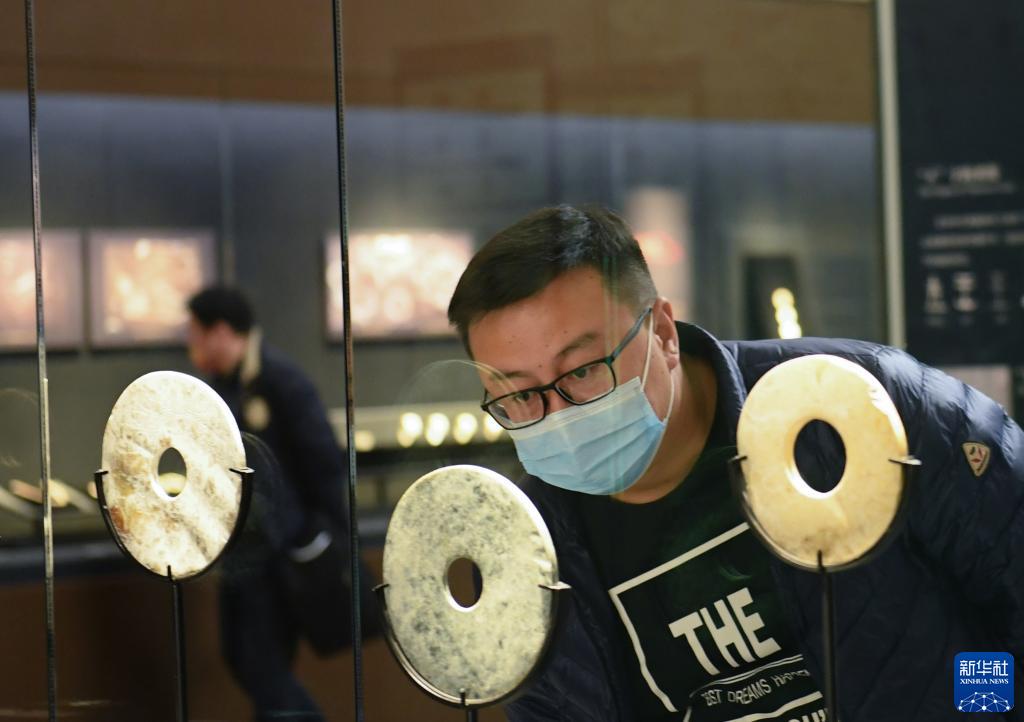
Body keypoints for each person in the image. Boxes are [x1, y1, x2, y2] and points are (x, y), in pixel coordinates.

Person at [447, 205, 1024, 721]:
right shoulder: (530, 552)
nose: (557, 414)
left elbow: (1009, 595)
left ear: (663, 333)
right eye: (517, 394)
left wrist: (982, 706)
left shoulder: (860, 406)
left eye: (582, 370)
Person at [187, 286, 375, 722]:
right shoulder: (226, 386)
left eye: (196, 335)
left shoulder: (280, 379)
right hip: (242, 552)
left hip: (280, 556)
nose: (192, 347)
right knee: (246, 660)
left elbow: (324, 462)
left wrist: (318, 540)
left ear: (220, 332)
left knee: (264, 668)